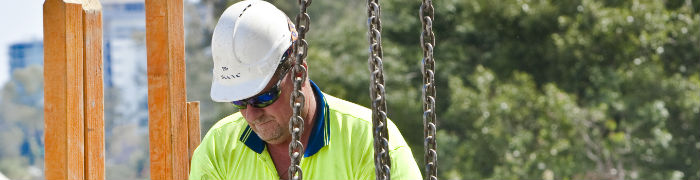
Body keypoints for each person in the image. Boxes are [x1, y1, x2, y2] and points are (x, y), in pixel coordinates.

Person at [188, 0, 421, 179]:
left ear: (299, 73)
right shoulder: (218, 148)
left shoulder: (370, 141)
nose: (251, 115)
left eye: (263, 98)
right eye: (239, 102)